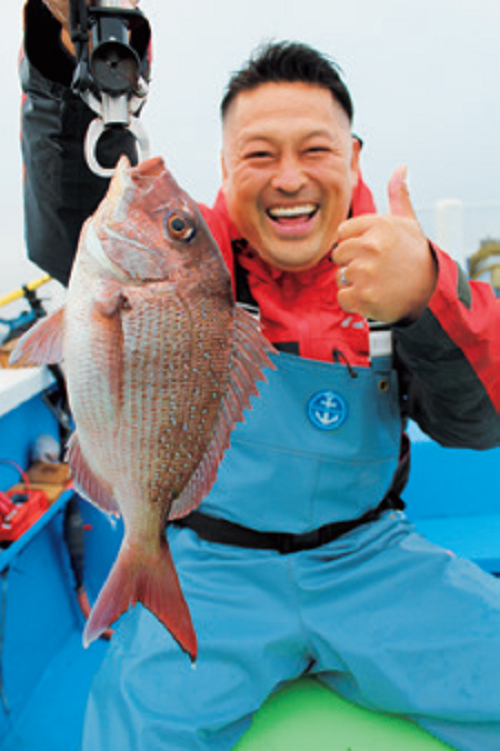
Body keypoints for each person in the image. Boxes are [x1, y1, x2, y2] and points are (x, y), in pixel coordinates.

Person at [20, 1, 500, 749]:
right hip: (209, 565)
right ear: (223, 169)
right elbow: (68, 220)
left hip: (369, 557)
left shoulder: (399, 267)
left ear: (354, 160)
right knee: (132, 734)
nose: (288, 179)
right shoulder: (189, 256)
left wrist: (427, 294)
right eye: (257, 154)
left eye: (315, 149)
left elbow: (475, 425)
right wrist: (59, 61)